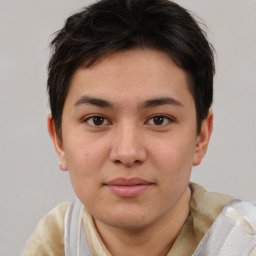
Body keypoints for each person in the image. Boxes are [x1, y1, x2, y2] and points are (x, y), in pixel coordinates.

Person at [22, 0, 256, 255]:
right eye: (97, 120)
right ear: (59, 139)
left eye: (159, 119)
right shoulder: (54, 243)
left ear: (201, 136)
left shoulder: (243, 243)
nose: (127, 152)